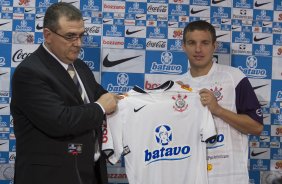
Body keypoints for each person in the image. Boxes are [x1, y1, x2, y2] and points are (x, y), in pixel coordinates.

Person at [10, 2, 119, 184]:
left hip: (88, 172)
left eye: (81, 36)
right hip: (50, 177)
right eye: (70, 36)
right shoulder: (29, 73)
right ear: (48, 35)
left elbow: (103, 96)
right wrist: (100, 108)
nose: (78, 43)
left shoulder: (80, 66)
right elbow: (60, 121)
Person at [177, 20, 263, 184]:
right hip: (189, 177)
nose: (198, 49)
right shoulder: (177, 87)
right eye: (192, 43)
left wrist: (218, 110)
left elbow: (257, 127)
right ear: (183, 46)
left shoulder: (234, 77)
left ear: (214, 46)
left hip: (229, 177)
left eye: (205, 43)